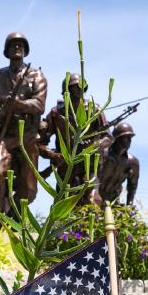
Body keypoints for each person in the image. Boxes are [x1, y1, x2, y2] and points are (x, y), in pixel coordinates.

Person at [0, 32, 47, 220]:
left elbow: (39, 105)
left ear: (25, 50)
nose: (17, 48)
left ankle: (13, 216)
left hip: (28, 137)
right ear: (6, 51)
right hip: (5, 137)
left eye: (20, 45)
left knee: (30, 189)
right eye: (13, 45)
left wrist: (18, 104)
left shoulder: (36, 76)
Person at [39, 72, 110, 203]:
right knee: (62, 202)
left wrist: (93, 146)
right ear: (67, 89)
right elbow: (40, 144)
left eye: (82, 87)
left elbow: (108, 138)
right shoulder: (56, 113)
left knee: (93, 200)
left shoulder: (94, 109)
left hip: (89, 165)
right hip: (65, 167)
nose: (79, 90)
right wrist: (54, 155)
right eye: (75, 87)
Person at [97, 122, 139, 206]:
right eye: (126, 138)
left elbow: (132, 187)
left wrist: (129, 205)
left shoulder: (132, 162)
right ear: (117, 138)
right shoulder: (103, 155)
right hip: (94, 199)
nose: (129, 141)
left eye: (130, 138)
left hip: (113, 202)